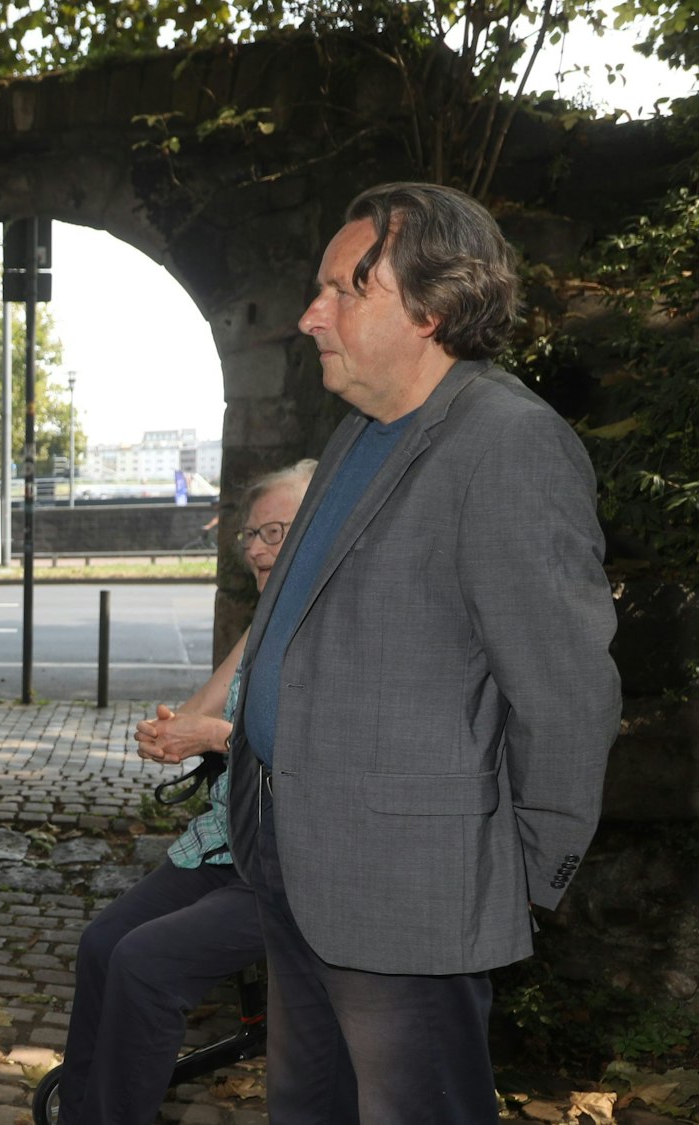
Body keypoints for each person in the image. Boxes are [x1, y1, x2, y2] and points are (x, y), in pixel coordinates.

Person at [226, 182, 621, 1122]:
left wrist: (514, 877)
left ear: (432, 310)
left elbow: (566, 696)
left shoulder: (508, 445)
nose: (308, 314)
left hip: (413, 891)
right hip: (295, 852)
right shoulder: (360, 425)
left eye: (341, 290)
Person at [56, 459, 313, 1123]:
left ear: (324, 530)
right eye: (251, 535)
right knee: (102, 944)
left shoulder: (337, 630)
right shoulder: (266, 625)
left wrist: (217, 736)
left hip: (297, 866)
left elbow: (316, 755)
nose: (255, 547)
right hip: (229, 841)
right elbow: (202, 707)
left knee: (145, 964)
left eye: (275, 532)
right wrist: (170, 730)